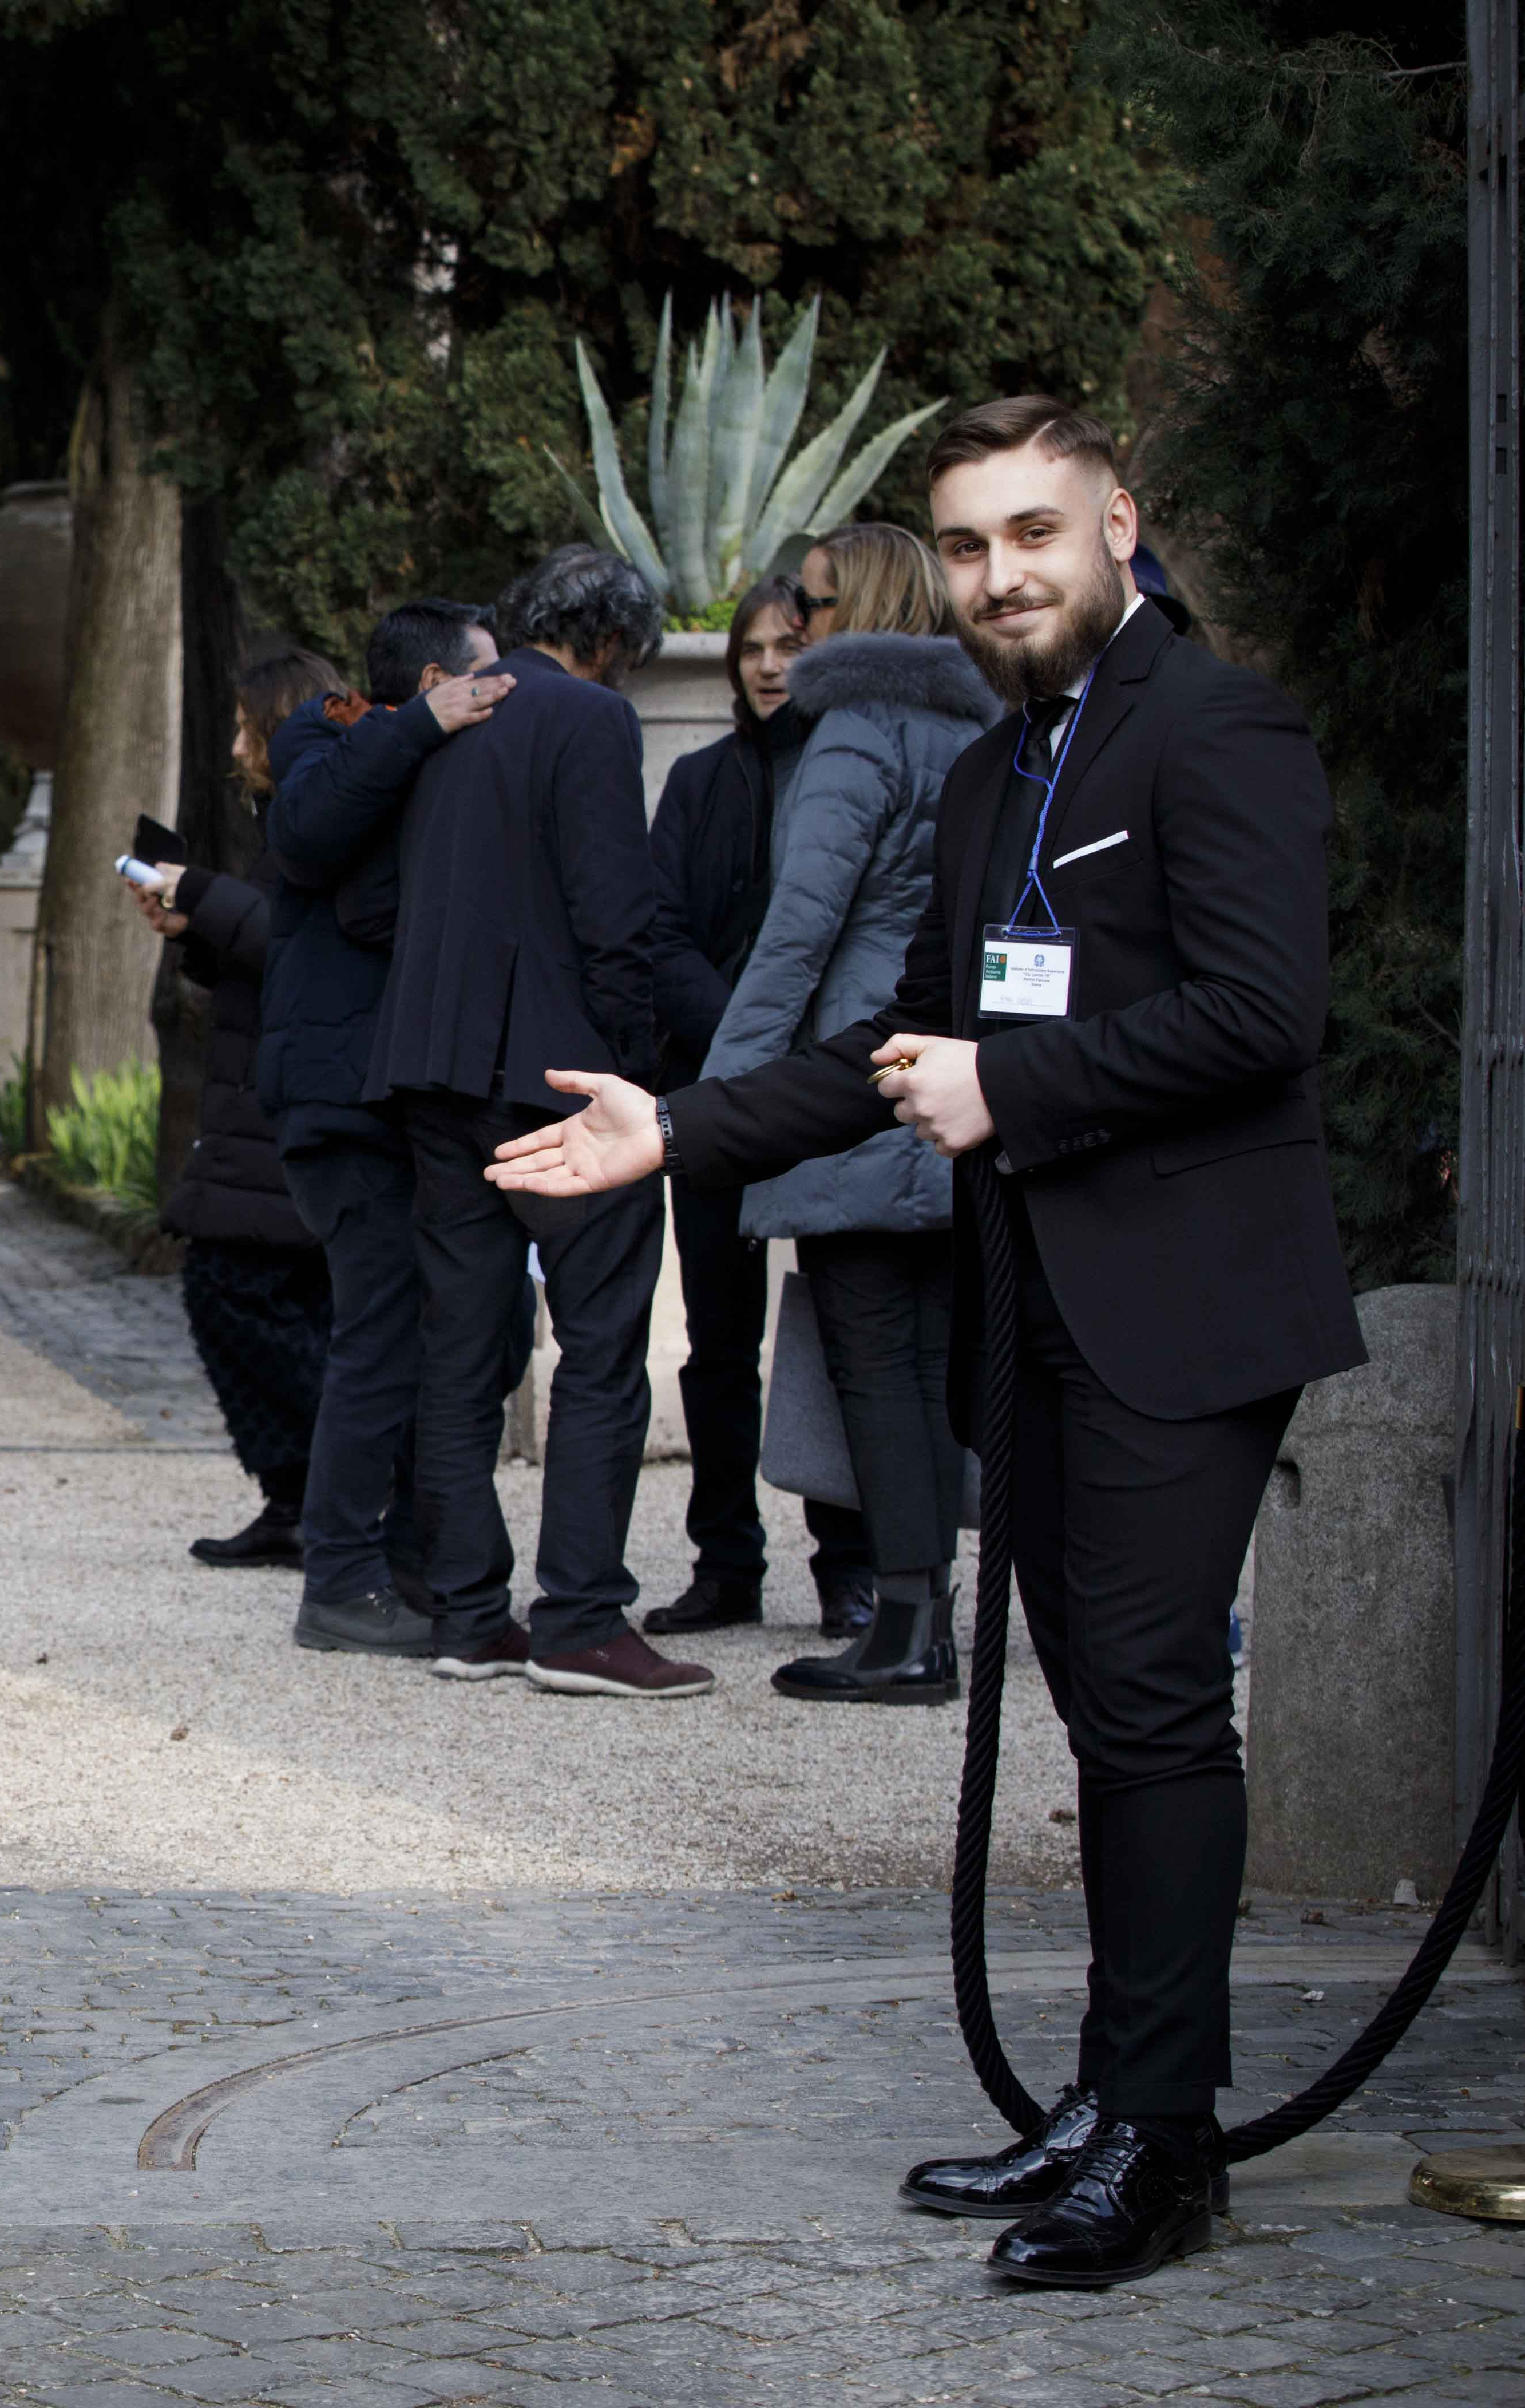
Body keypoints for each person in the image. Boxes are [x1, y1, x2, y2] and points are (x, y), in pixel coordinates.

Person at [487, 398, 1364, 2286]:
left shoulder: (1216, 726)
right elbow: (894, 1040)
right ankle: (1121, 2100)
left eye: (1033, 533)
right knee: (1111, 1723)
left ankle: (1159, 2142)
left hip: (1183, 1300)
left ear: (1117, 524)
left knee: (1146, 1712)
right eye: (966, 546)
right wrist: (677, 1128)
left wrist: (1013, 1078)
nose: (998, 577)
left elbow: (1260, 1015)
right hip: (1036, 1300)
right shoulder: (996, 768)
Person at [361, 544, 699, 1697]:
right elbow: (616, 913)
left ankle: (465, 1611)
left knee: (460, 1344)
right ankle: (580, 1619)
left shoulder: (458, 720)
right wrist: (639, 1068)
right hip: (554, 1071)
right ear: (611, 643)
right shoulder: (590, 719)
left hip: (432, 1065)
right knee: (600, 1342)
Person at [702, 523, 999, 1702]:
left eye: (813, 601)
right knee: (927, 1361)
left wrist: (723, 1105)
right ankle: (927, 1619)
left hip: (850, 1079)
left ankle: (906, 1629)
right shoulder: (975, 727)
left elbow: (795, 934)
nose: (797, 621)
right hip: (954, 1071)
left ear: (859, 606)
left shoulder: (851, 735)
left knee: (872, 1359)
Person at [256, 606, 517, 1649]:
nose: (505, 691)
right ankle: (341, 1577)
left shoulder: (437, 766)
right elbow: (314, 838)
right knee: (378, 1332)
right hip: (341, 1101)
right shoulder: (330, 734)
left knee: (451, 1335)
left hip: (406, 1100)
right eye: (486, 676)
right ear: (435, 678)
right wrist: (418, 727)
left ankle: (408, 1561)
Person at [644, 575, 881, 1641]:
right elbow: (660, 933)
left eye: (791, 644)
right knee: (717, 1339)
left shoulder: (854, 768)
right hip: (717, 1086)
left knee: (847, 1328)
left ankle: (852, 1566)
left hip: (835, 1085)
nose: (772, 665)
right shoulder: (699, 781)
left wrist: (802, 1048)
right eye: (754, 649)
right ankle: (726, 1560)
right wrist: (743, 1036)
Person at [149, 651, 338, 1571]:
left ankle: (343, 1481)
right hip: (259, 1102)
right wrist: (195, 932)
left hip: (290, 1106)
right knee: (263, 1296)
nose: (233, 746)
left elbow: (302, 945)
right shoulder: (286, 819)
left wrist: (202, 899)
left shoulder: (333, 817)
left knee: (237, 1291)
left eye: (245, 727)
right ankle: (299, 1493)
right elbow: (262, 955)